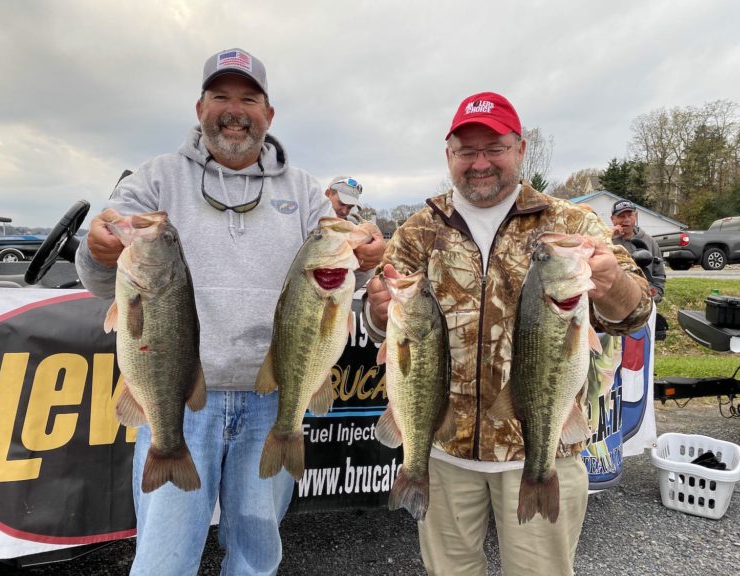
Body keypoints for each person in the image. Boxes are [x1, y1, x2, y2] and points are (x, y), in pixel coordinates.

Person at [76, 48, 383, 576]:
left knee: (257, 554)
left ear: (269, 114)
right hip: (176, 396)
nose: (234, 110)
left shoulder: (306, 191)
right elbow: (101, 274)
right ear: (200, 108)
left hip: (272, 398)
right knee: (163, 558)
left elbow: (334, 277)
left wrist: (367, 259)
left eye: (248, 98)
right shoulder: (155, 180)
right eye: (221, 96)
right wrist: (97, 249)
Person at [363, 91, 653, 576]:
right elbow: (384, 324)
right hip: (444, 451)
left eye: (494, 148)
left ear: (521, 151)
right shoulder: (418, 229)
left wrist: (611, 283)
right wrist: (376, 312)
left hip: (544, 450)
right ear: (449, 155)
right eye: (467, 150)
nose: (480, 163)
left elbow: (635, 312)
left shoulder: (571, 224)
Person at [610, 199, 666, 302]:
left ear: (635, 216)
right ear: (613, 219)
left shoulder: (650, 242)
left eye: (630, 215)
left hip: (645, 301)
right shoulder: (606, 242)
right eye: (622, 216)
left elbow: (659, 276)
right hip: (616, 302)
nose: (626, 220)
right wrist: (608, 236)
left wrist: (654, 297)